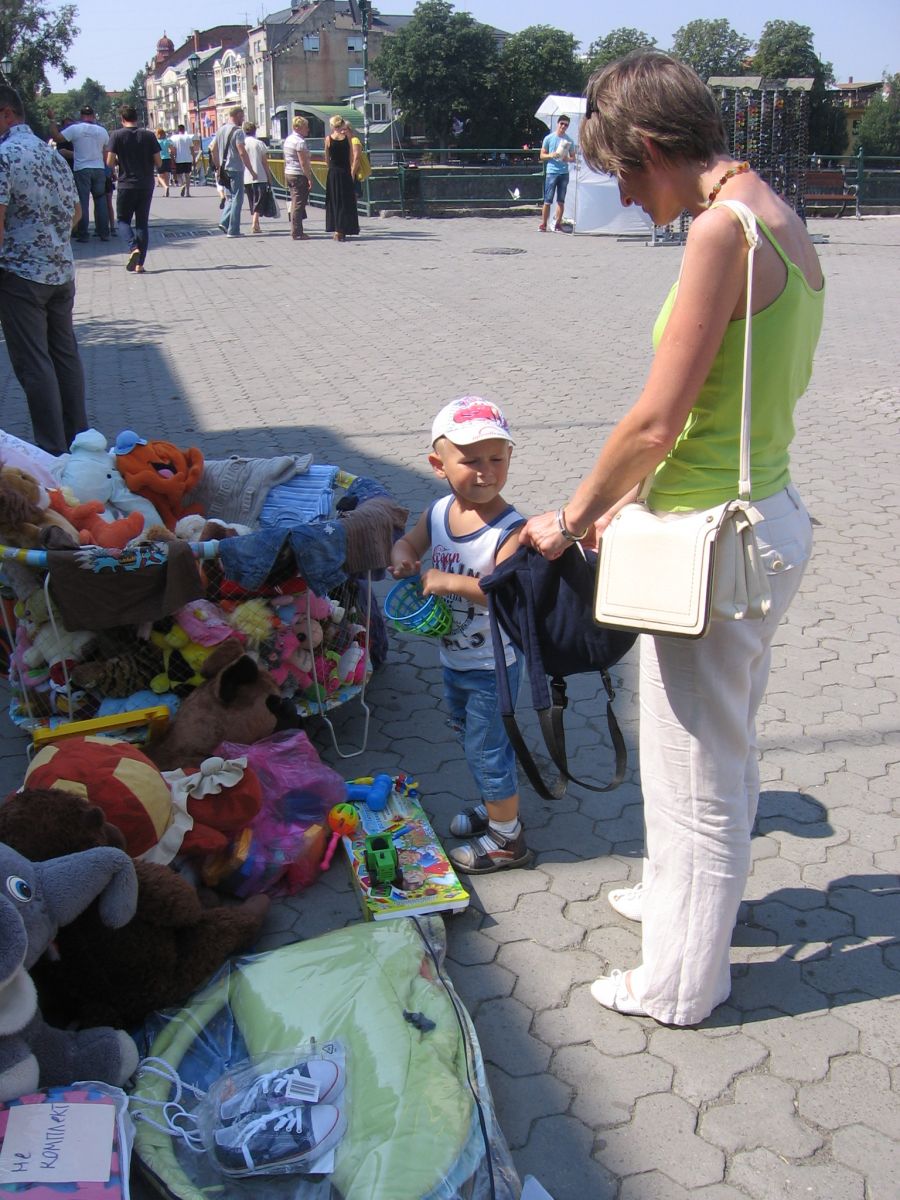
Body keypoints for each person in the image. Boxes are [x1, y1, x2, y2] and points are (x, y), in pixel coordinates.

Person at [521, 51, 824, 1027]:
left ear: (654, 147)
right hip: (754, 515)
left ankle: (683, 982)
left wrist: (569, 518)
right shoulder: (776, 213)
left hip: (707, 545)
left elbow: (656, 420)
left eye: (622, 174)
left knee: (693, 771)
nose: (623, 197)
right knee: (719, 753)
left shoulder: (718, 234)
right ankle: (680, 902)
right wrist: (632, 495)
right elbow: (725, 401)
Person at [390, 397, 531, 875]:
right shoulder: (438, 514)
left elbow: (507, 599)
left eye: (497, 458)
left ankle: (508, 840)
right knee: (477, 745)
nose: (485, 471)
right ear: (439, 465)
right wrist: (403, 555)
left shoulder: (510, 530)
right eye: (471, 460)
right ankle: (497, 814)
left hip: (495, 667)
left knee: (489, 750)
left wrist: (449, 582)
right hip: (455, 661)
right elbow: (410, 543)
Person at [0, 84, 87, 455]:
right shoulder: (51, 156)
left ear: (6, 114)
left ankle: (52, 452)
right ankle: (82, 442)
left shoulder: (4, 156)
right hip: (60, 271)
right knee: (64, 357)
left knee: (35, 365)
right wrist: (51, 240)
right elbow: (79, 214)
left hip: (20, 275)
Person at [106, 105, 161, 274]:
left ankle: (133, 247)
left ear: (122, 119)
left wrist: (119, 164)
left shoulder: (116, 135)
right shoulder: (149, 135)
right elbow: (159, 162)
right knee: (142, 224)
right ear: (137, 118)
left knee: (123, 220)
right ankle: (140, 264)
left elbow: (109, 162)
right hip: (146, 184)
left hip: (126, 184)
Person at [49, 105, 109, 242]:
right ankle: (103, 232)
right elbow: (106, 151)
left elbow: (56, 137)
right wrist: (106, 169)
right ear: (93, 116)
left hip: (82, 168)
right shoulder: (102, 131)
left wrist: (52, 120)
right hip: (99, 168)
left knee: (82, 202)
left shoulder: (75, 129)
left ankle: (83, 233)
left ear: (81, 116)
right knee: (100, 200)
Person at [211, 107, 257, 238]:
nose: (243, 119)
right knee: (238, 198)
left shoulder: (220, 130)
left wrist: (217, 165)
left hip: (224, 168)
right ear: (236, 115)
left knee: (230, 197)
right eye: (242, 116)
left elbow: (213, 149)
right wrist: (251, 170)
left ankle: (224, 222)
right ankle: (233, 230)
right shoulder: (238, 132)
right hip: (235, 168)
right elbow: (242, 152)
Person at [324, 115, 359, 242]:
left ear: (332, 126)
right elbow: (351, 157)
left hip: (333, 172)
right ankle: (344, 229)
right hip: (345, 172)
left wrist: (332, 166)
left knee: (334, 200)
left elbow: (327, 159)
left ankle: (336, 229)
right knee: (345, 201)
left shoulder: (328, 139)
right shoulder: (348, 138)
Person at [539, 115, 574, 232]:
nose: (563, 126)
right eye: (562, 124)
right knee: (547, 200)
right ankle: (543, 224)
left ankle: (558, 224)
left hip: (564, 172)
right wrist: (551, 155)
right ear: (558, 124)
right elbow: (542, 155)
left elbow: (573, 157)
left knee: (561, 200)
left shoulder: (569, 140)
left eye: (566, 125)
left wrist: (567, 159)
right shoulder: (548, 138)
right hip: (552, 172)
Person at [283, 115, 314, 241]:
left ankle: (296, 230)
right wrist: (309, 177)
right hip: (298, 174)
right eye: (306, 126)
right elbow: (303, 162)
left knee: (295, 201)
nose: (308, 129)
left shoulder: (288, 139)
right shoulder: (299, 142)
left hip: (289, 172)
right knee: (298, 204)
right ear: (299, 127)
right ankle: (297, 232)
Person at [241, 121, 272, 234]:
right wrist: (269, 176)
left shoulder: (242, 143)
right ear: (255, 130)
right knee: (259, 200)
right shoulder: (259, 143)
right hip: (260, 175)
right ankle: (254, 223)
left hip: (246, 176)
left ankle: (256, 223)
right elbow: (265, 162)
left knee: (251, 200)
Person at [170, 124, 197, 196]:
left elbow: (173, 150)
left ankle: (182, 184)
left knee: (179, 174)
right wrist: (194, 159)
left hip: (179, 159)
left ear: (178, 130)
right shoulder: (188, 138)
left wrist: (173, 158)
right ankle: (188, 192)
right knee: (187, 175)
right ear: (184, 129)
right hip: (188, 159)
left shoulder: (175, 138)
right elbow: (192, 150)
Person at [155, 129, 173, 195]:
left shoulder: (156, 142)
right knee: (167, 175)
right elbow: (172, 150)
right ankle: (167, 188)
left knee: (159, 176)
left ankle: (165, 187)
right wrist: (172, 154)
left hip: (159, 159)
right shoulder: (167, 141)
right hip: (167, 158)